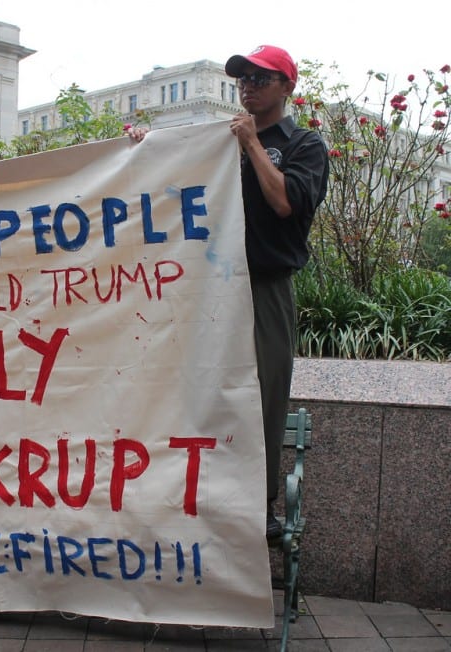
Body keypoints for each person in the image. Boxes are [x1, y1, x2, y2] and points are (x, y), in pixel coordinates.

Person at [129, 45, 329, 539]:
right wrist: (141, 148)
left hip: (263, 290)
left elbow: (285, 203)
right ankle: (187, 498)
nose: (249, 85)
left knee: (261, 402)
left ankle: (254, 512)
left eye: (262, 78)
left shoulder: (304, 145)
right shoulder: (217, 140)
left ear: (287, 87)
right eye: (243, 78)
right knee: (189, 393)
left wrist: (252, 147)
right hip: (204, 291)